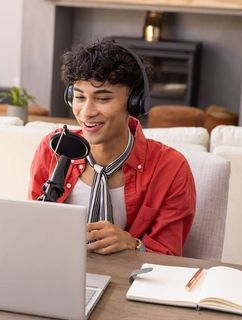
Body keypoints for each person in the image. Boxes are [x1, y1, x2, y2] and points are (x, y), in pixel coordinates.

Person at [29, 40, 195, 256]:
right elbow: (32, 228)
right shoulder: (53, 147)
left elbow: (169, 257)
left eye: (103, 98)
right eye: (79, 97)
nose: (87, 112)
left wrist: (131, 244)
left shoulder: (171, 168)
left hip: (129, 283)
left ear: (136, 102)